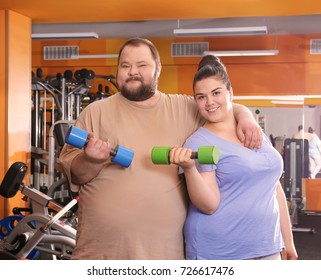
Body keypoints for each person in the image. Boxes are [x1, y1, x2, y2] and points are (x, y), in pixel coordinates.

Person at [59, 37, 262, 260]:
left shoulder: (182, 108)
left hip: (163, 255)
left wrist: (246, 117)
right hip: (101, 252)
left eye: (142, 65)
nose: (132, 72)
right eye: (125, 66)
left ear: (158, 70)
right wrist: (92, 160)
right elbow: (76, 175)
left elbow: (220, 104)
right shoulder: (95, 112)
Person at [169, 55, 297, 260]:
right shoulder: (199, 142)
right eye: (201, 97)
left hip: (267, 246)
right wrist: (190, 168)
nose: (209, 102)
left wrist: (287, 240)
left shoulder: (254, 131)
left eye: (216, 93)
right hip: (220, 251)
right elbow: (208, 205)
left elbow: (274, 187)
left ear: (230, 93)